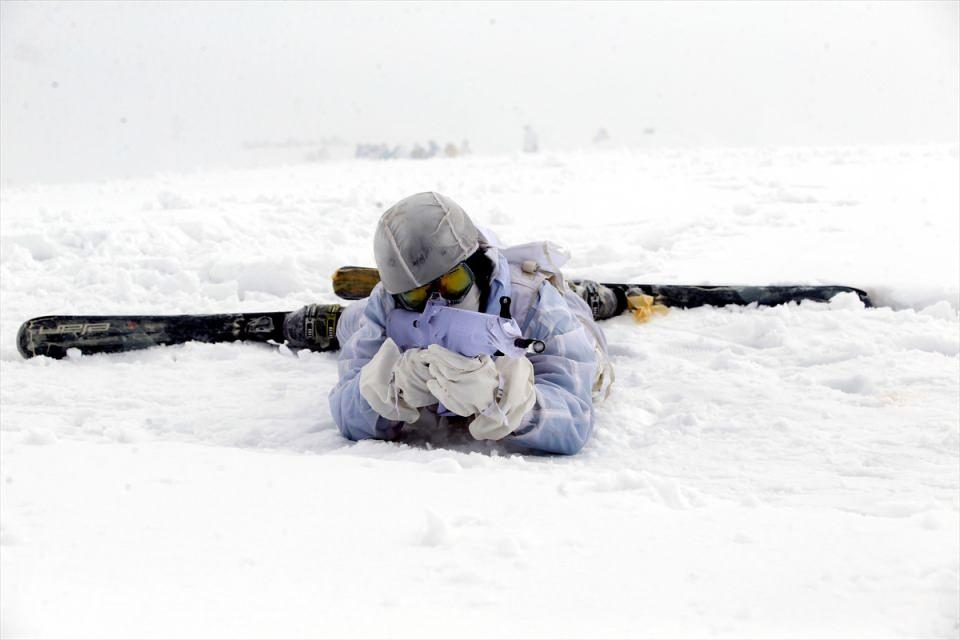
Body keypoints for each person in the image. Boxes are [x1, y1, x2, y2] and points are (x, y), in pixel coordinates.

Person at [328, 192, 614, 455]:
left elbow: (576, 417)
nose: (438, 303)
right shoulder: (386, 304)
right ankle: (330, 317)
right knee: (352, 321)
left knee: (592, 353)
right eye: (417, 294)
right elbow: (345, 408)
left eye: (453, 282)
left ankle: (588, 293)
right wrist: (390, 387)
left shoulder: (534, 303)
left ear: (479, 270)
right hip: (377, 307)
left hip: (551, 309)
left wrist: (510, 402)